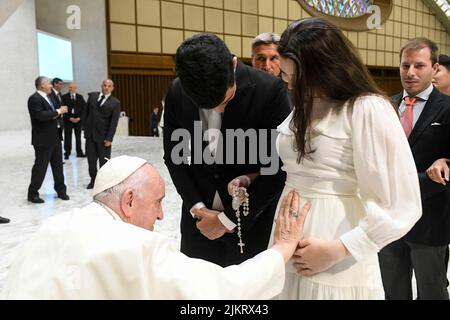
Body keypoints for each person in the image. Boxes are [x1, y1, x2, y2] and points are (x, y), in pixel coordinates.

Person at [1, 155, 310, 299]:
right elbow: (222, 291)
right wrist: (282, 249)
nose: (162, 216)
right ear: (129, 201)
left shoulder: (51, 228)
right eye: (159, 202)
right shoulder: (134, 245)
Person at [265, 18, 421, 300]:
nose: (288, 84)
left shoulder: (367, 108)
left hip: (335, 241)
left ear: (323, 70)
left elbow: (403, 203)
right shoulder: (304, 102)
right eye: (285, 76)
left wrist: (339, 249)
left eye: (294, 77)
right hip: (286, 238)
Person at [163, 33, 291, 267]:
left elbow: (280, 168)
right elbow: (175, 158)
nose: (218, 111)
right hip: (197, 224)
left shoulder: (271, 91)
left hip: (253, 223)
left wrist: (227, 220)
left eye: (225, 99)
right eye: (208, 106)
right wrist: (198, 209)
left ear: (233, 64)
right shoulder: (177, 91)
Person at [378, 38, 450, 300]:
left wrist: (446, 161)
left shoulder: (447, 108)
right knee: (393, 289)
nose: (410, 73)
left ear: (434, 68)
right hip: (388, 216)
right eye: (405, 65)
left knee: (432, 291)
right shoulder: (385, 105)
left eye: (419, 65)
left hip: (430, 218)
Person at [27, 77, 70, 204]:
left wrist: (60, 114)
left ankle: (61, 191)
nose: (51, 85)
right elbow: (40, 116)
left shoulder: (50, 97)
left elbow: (56, 112)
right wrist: (58, 111)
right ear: (42, 85)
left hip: (55, 137)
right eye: (49, 83)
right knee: (40, 168)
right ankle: (33, 193)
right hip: (43, 139)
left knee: (58, 167)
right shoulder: (34, 99)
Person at [83, 79, 121, 190]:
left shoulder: (115, 103)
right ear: (101, 86)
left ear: (112, 88)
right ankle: (93, 180)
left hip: (104, 137)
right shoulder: (93, 96)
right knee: (91, 161)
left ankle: (104, 183)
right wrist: (84, 128)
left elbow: (114, 122)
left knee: (104, 162)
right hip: (90, 135)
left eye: (109, 86)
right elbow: (86, 113)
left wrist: (109, 138)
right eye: (105, 85)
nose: (106, 87)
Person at [62, 82, 87, 159]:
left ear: (75, 88)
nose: (70, 89)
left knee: (78, 137)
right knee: (67, 137)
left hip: (78, 120)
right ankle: (67, 153)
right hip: (68, 119)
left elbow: (84, 109)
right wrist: (69, 118)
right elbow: (62, 109)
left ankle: (79, 152)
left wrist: (79, 118)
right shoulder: (64, 97)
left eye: (72, 87)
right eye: (69, 87)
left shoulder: (80, 97)